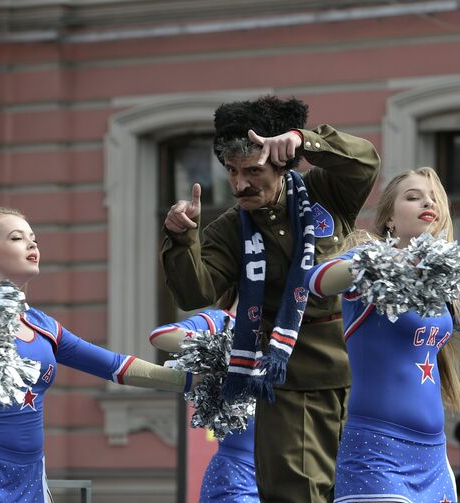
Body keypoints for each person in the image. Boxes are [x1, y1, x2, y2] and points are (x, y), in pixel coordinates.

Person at [161, 95, 380, 502]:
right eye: (232, 170)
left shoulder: (325, 192)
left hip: (361, 371)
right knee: (297, 492)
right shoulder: (229, 229)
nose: (241, 183)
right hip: (291, 380)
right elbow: (196, 292)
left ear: (282, 165)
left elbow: (365, 161)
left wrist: (305, 140)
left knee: (367, 492)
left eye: (254, 170)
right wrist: (181, 238)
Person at [0, 207, 196, 503]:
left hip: (30, 476)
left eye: (33, 239)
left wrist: (191, 380)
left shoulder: (44, 327)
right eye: (16, 238)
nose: (32, 244)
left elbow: (114, 366)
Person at [305, 167, 460, 503]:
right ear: (390, 221)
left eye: (432, 198)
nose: (427, 202)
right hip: (377, 453)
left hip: (433, 458)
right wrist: (374, 262)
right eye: (413, 197)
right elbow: (317, 280)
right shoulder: (370, 265)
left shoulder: (435, 279)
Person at [149, 287, 258, 503]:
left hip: (285, 476)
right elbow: (160, 336)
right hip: (238, 480)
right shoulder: (223, 322)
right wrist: (224, 349)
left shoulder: (287, 332)